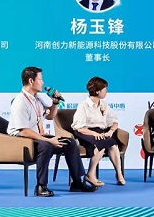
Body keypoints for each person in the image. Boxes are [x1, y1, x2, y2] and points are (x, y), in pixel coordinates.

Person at [7, 66, 94, 196]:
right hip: (21, 141)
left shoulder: (36, 98)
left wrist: (55, 103)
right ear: (31, 81)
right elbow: (24, 131)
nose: (43, 82)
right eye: (40, 79)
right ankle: (41, 186)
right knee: (46, 145)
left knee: (69, 143)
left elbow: (50, 116)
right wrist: (49, 140)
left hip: (35, 137)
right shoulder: (20, 102)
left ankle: (77, 183)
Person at [72, 76, 126, 187]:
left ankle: (119, 174)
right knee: (100, 144)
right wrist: (94, 134)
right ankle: (90, 174)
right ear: (97, 91)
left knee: (113, 144)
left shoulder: (104, 105)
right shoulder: (84, 106)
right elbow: (79, 128)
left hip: (100, 132)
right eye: (105, 89)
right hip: (85, 132)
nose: (107, 92)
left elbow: (114, 122)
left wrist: (111, 131)